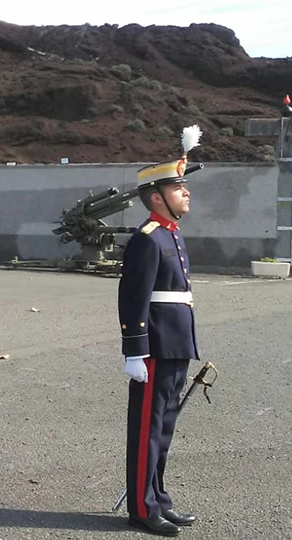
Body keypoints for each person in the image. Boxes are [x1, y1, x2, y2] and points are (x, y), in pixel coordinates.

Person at [118, 125, 204, 536]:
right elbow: (132, 298)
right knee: (147, 431)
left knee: (163, 431)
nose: (186, 192)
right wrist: (133, 351)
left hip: (175, 344)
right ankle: (141, 507)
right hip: (153, 347)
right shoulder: (148, 240)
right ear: (157, 197)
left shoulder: (172, 236)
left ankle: (159, 499)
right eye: (178, 187)